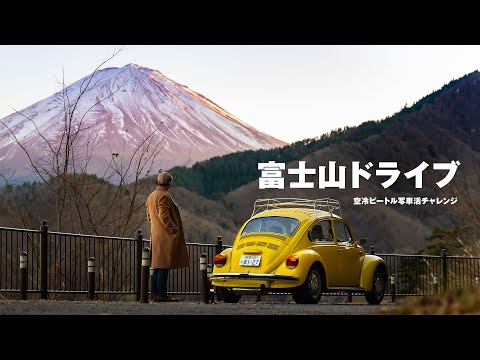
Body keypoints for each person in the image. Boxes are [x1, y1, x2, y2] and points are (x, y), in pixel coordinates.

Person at [146, 171, 189, 302]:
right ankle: (162, 295)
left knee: (157, 266)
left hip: (156, 235)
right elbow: (163, 215)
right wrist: (173, 229)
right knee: (164, 266)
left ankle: (154, 294)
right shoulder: (164, 196)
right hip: (165, 236)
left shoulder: (151, 196)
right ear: (169, 183)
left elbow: (149, 216)